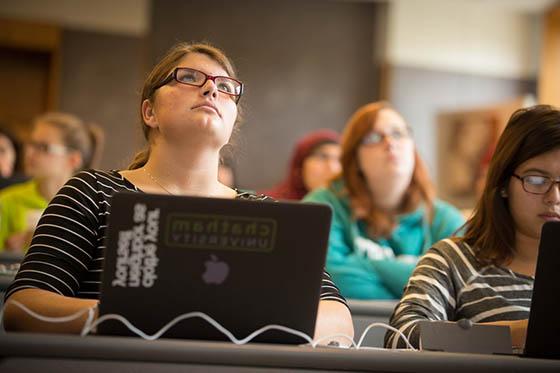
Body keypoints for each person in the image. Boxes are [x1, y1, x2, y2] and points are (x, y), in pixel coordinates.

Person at [3, 42, 353, 344]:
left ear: (231, 125)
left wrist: (241, 322)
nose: (211, 90)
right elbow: (24, 308)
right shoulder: (92, 192)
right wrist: (143, 316)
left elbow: (339, 320)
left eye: (225, 86)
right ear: (149, 111)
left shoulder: (269, 215)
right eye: (189, 78)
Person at [385, 104, 560, 350]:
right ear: (502, 184)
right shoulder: (453, 261)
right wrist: (522, 333)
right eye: (536, 179)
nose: (554, 196)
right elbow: (401, 337)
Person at [304, 102, 464, 300]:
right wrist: (417, 291)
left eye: (398, 133)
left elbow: (460, 290)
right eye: (374, 137)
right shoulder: (323, 205)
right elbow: (329, 280)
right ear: (355, 157)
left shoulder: (445, 220)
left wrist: (365, 264)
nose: (390, 143)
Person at [0, 113, 103, 252]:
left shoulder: (90, 206)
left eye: (43, 147)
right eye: (31, 144)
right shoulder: (7, 201)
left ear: (73, 159)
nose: (29, 153)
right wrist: (9, 250)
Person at [263, 129, 341, 200]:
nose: (333, 168)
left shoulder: (347, 210)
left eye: (339, 159)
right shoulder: (268, 204)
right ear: (300, 165)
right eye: (322, 157)